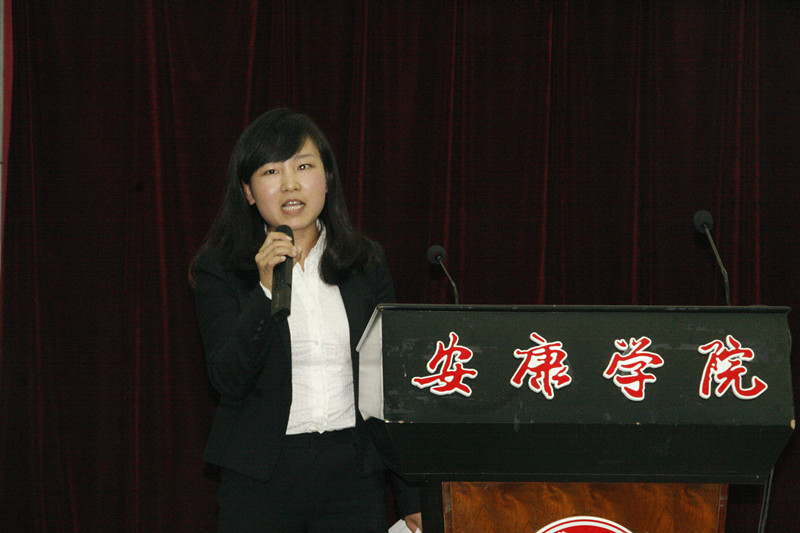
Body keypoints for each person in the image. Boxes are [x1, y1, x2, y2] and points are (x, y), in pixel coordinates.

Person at [191, 108, 422, 532]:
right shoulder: (220, 268)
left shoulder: (365, 262)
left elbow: (392, 384)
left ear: (327, 179)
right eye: (271, 171)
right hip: (261, 479)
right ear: (248, 191)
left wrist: (410, 495)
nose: (290, 184)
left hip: (353, 478)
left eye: (303, 166)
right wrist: (264, 291)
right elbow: (227, 378)